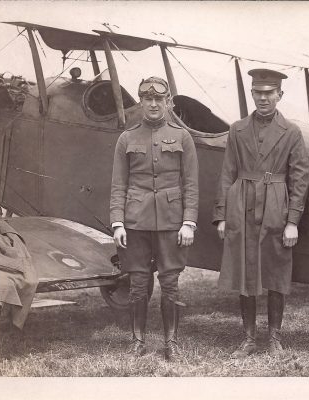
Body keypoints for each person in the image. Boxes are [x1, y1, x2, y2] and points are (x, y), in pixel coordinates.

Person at [213, 69, 309, 358]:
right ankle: (248, 338)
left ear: (280, 95)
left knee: (276, 269)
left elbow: (300, 178)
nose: (264, 98)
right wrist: (221, 214)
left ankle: (274, 338)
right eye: (258, 92)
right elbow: (227, 172)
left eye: (270, 93)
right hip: (241, 203)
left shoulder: (292, 131)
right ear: (252, 94)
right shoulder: (237, 129)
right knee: (246, 269)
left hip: (276, 206)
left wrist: (292, 221)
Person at [110, 76, 199, 361]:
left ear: (167, 101)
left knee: (170, 284)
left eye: (158, 99)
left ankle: (170, 342)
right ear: (141, 101)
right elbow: (118, 184)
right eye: (147, 99)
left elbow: (191, 184)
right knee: (137, 285)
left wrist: (189, 221)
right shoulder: (127, 138)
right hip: (135, 222)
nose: (152, 104)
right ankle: (138, 341)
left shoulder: (182, 137)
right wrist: (117, 223)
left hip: (172, 223)